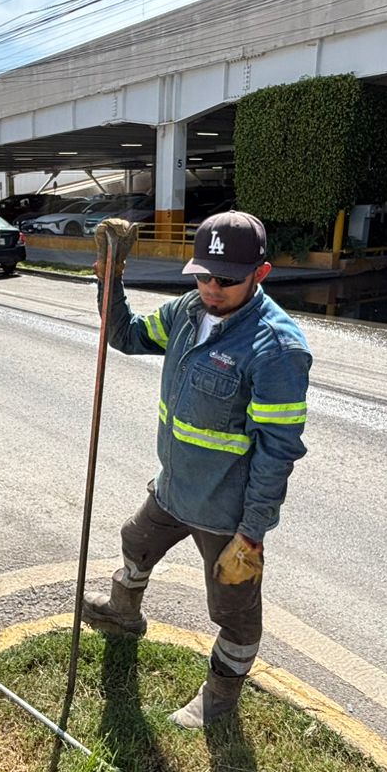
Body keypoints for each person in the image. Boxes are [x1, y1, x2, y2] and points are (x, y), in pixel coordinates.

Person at [84, 211, 311, 728]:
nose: (211, 288)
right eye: (202, 274)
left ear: (261, 273)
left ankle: (220, 699)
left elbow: (279, 452)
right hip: (173, 489)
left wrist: (251, 534)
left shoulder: (276, 349)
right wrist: (110, 278)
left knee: (233, 612)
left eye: (226, 279)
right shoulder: (188, 311)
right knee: (135, 541)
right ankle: (124, 613)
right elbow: (127, 336)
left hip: (226, 513)